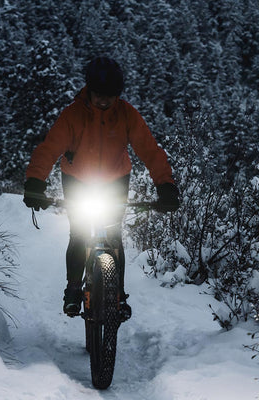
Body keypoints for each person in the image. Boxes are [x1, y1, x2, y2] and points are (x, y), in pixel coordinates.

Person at [23, 57, 179, 318]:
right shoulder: (73, 115)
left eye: (110, 96)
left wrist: (165, 186)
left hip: (115, 179)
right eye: (99, 95)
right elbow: (49, 148)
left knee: (113, 235)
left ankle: (117, 295)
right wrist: (35, 182)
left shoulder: (127, 114)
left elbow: (150, 150)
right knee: (80, 233)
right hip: (77, 180)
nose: (104, 101)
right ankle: (73, 288)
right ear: (89, 90)